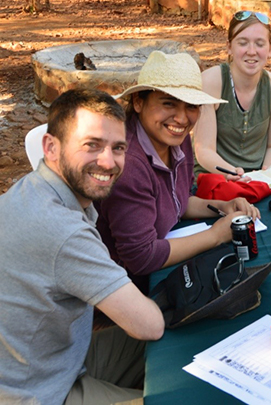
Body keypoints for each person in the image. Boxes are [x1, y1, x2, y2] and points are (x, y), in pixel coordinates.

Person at [0, 89, 164, 404]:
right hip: (38, 392)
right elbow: (149, 325)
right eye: (92, 145)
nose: (108, 161)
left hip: (53, 359)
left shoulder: (33, 189)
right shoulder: (61, 230)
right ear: (51, 147)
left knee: (184, 344)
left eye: (118, 148)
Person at [96, 51, 260, 294]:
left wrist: (221, 205)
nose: (182, 118)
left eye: (191, 106)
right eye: (168, 103)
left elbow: (177, 202)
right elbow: (141, 257)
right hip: (122, 288)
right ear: (139, 102)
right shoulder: (128, 164)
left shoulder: (175, 139)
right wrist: (216, 235)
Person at [193, 10, 271, 179]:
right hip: (212, 178)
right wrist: (235, 174)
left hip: (257, 179)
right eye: (243, 43)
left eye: (260, 44)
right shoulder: (210, 83)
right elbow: (204, 150)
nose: (252, 51)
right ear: (229, 47)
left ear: (270, 50)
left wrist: (265, 175)